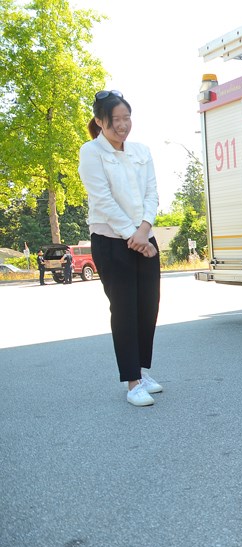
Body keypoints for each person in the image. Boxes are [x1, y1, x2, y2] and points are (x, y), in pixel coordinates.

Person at [78, 89, 163, 407]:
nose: (124, 125)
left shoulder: (142, 150)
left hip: (143, 237)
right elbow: (104, 201)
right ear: (100, 122)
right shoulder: (91, 152)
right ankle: (132, 382)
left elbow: (152, 194)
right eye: (116, 120)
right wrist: (134, 237)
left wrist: (144, 231)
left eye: (127, 118)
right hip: (111, 243)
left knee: (148, 307)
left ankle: (142, 371)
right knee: (124, 311)